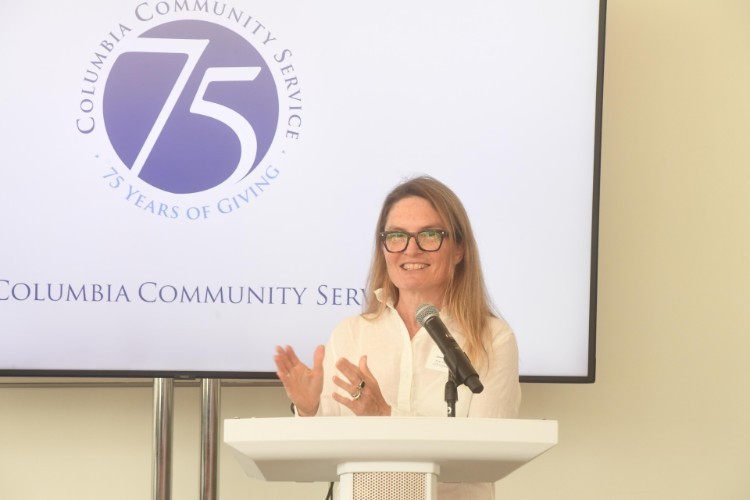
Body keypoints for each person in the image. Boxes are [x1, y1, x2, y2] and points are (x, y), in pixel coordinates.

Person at [274, 175, 521, 500]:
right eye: (397, 236)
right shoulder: (351, 333)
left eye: (430, 235)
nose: (411, 249)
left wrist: (384, 416)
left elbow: (486, 454)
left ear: (459, 249)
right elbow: (327, 450)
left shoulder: (492, 338)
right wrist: (307, 410)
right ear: (383, 246)